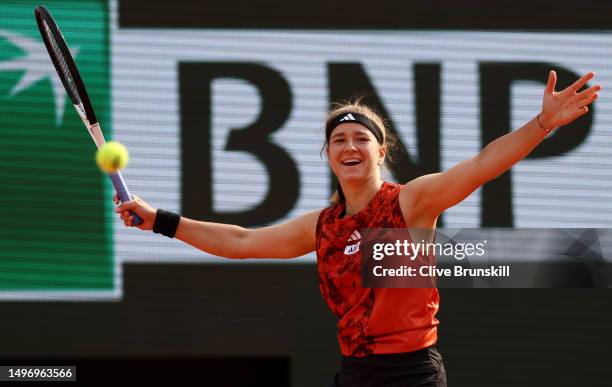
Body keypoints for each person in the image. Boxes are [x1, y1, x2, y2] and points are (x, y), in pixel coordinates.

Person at [115, 70, 600, 386]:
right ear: (328, 155)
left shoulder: (411, 203)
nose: (350, 145)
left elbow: (482, 164)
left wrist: (542, 123)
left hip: (412, 374)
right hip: (354, 375)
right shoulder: (321, 227)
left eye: (361, 138)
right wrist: (161, 221)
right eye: (339, 139)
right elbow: (241, 242)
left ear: (380, 152)